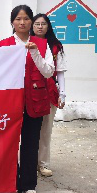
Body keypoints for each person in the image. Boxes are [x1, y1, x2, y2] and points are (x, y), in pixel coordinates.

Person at [0, 5, 54, 193]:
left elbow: (48, 72)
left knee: (31, 142)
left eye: (26, 19)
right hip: (10, 102)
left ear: (31, 21)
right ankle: (11, 183)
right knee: (9, 143)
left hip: (35, 100)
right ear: (12, 22)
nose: (22, 23)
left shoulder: (42, 44)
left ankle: (29, 184)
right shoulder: (5, 45)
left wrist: (35, 53)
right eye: (18, 19)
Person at [31, 13, 67, 177]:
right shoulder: (26, 43)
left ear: (48, 26)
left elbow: (60, 72)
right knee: (29, 129)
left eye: (43, 24)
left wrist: (63, 93)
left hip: (49, 90)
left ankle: (43, 163)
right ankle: (28, 162)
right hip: (29, 90)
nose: (40, 27)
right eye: (37, 24)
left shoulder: (55, 46)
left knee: (46, 129)